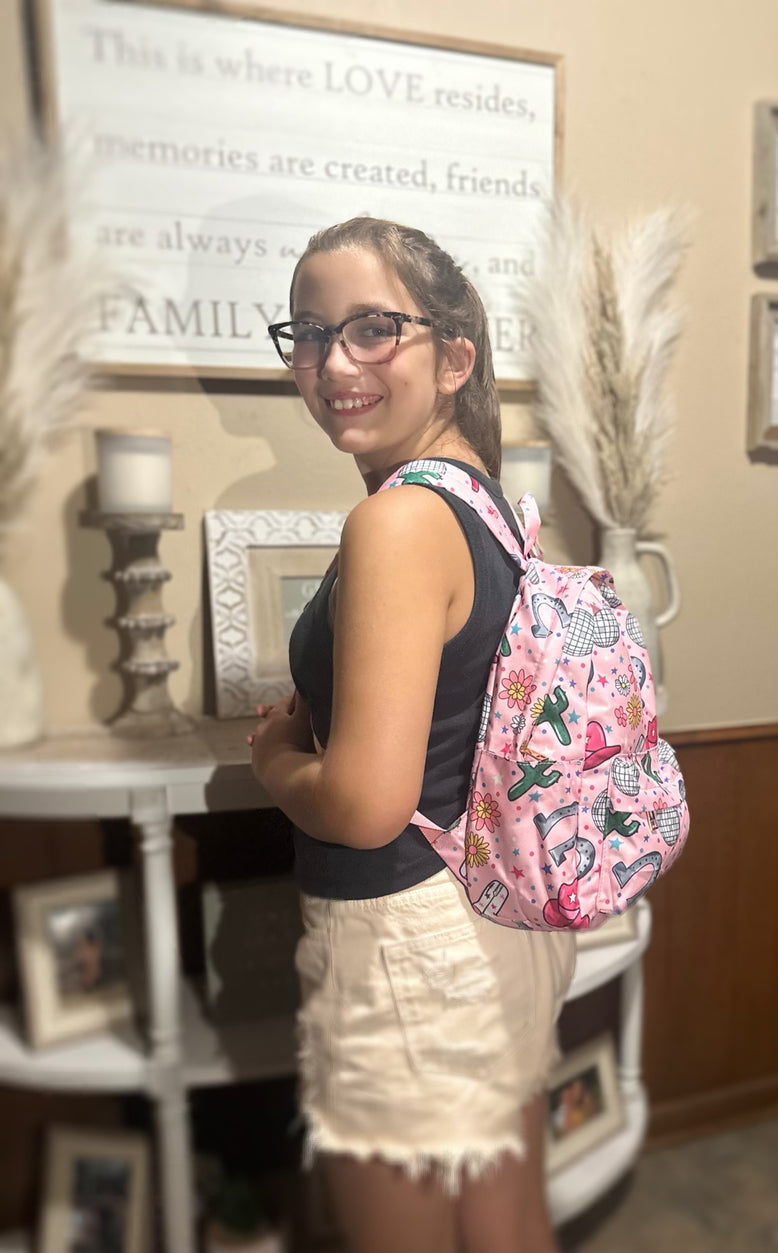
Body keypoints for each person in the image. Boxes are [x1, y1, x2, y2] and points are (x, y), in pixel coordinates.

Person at [249, 217, 576, 1253]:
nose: (332, 359)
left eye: (372, 328)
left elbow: (363, 801)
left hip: (405, 940)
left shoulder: (393, 520)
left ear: (453, 357)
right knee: (505, 1216)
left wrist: (278, 762)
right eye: (308, 331)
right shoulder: (483, 502)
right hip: (499, 921)